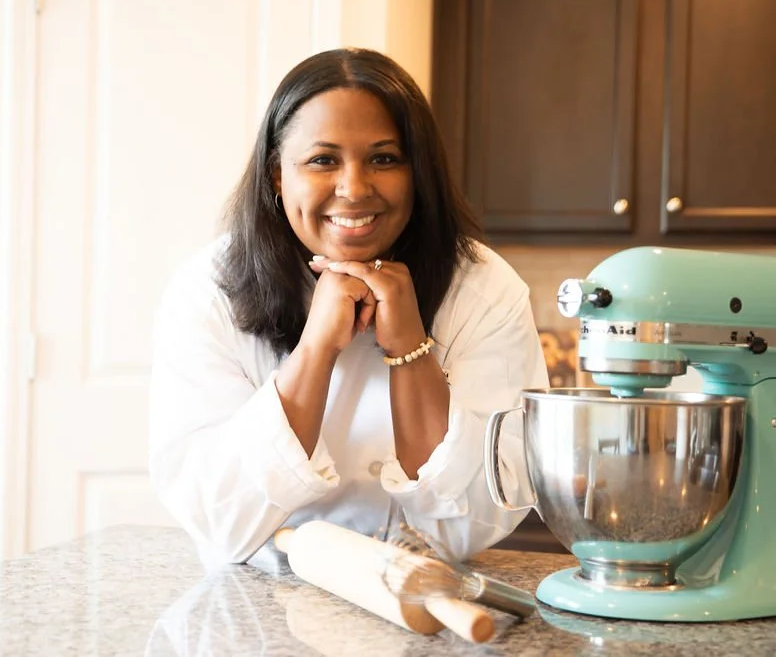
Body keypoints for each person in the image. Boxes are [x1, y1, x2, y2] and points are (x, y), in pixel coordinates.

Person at [148, 48, 548, 569]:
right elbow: (220, 517)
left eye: (384, 158)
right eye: (322, 160)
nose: (354, 188)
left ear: (418, 172)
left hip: (421, 597)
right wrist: (317, 347)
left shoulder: (484, 289)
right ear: (276, 175)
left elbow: (478, 515)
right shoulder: (209, 290)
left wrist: (410, 346)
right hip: (257, 601)